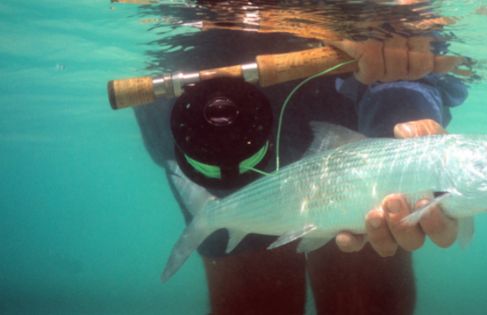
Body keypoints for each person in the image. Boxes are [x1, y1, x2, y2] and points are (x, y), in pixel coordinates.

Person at [133, 1, 469, 314]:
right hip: (207, 90)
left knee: (364, 252)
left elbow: (402, 29)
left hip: (343, 69)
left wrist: (403, 123)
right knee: (254, 289)